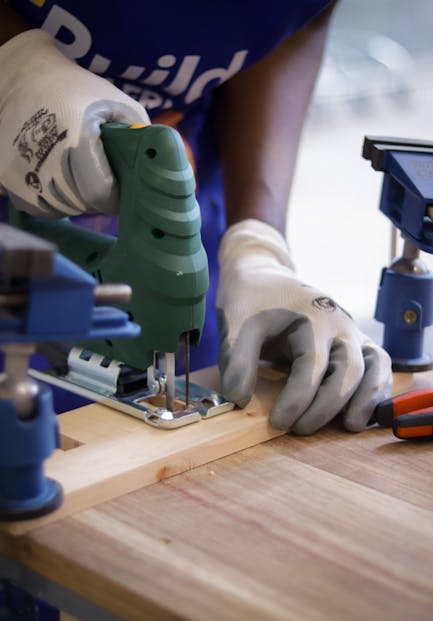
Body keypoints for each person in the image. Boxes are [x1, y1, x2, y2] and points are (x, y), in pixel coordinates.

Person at [0, 0, 392, 435]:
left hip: (175, 189)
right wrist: (13, 62)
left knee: (176, 327)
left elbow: (299, 21)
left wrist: (258, 242)